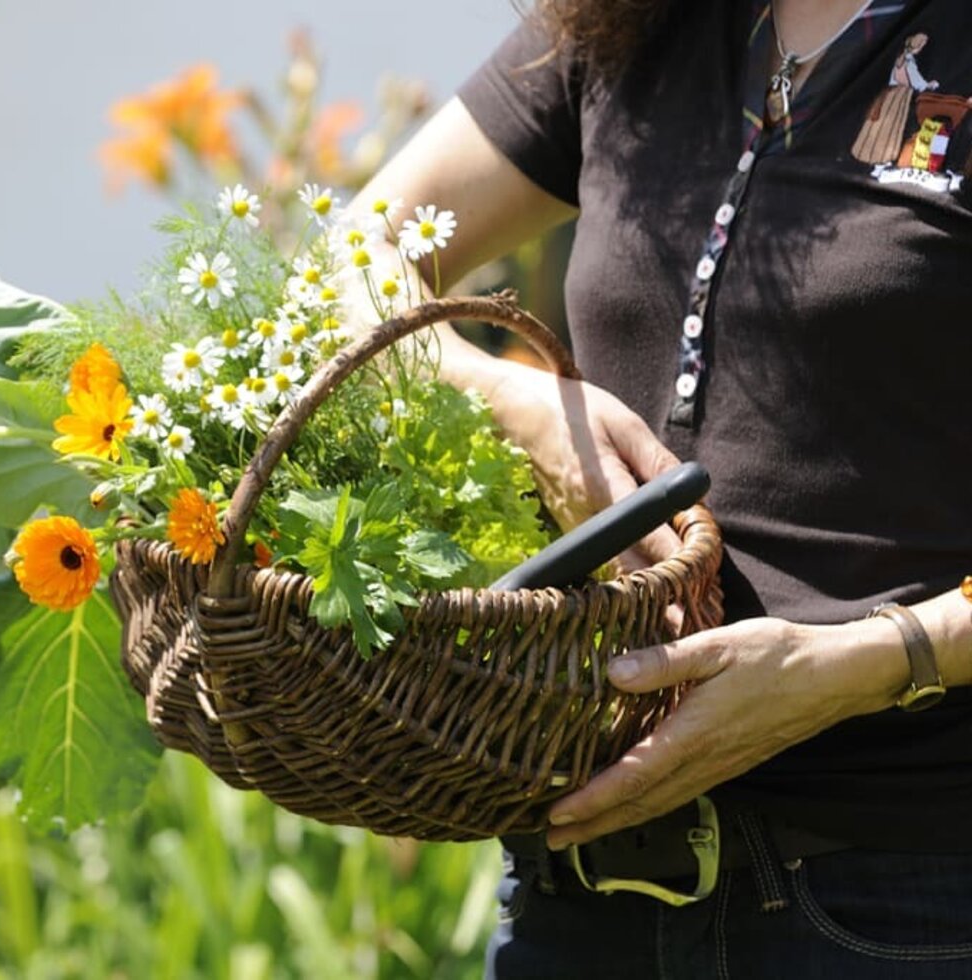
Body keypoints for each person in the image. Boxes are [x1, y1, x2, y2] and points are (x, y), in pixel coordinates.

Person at [350, 0, 972, 976]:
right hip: (580, 894)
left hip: (896, 903)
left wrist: (862, 663)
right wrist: (502, 394)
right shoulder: (622, 21)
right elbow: (351, 265)